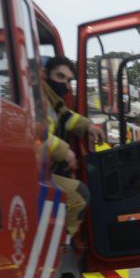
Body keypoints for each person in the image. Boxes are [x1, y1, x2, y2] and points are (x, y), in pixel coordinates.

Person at [43, 56, 105, 235]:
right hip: (31, 173)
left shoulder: (54, 102)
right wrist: (65, 151)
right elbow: (34, 134)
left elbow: (66, 118)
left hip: (42, 170)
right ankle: (61, 246)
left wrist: (88, 126)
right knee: (79, 194)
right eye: (60, 76)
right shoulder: (39, 100)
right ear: (45, 74)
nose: (65, 84)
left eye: (68, 80)